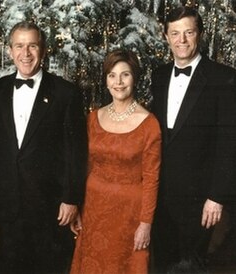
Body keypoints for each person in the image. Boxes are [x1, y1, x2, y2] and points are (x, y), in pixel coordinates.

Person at [0, 21, 88, 273]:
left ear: (43, 51)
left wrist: (71, 198)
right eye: (19, 46)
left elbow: (76, 151)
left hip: (50, 206)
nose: (26, 53)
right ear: (10, 51)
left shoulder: (66, 93)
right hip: (8, 204)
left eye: (32, 45)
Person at [150, 6, 236, 273]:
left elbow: (232, 143)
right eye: (175, 33)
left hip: (200, 199)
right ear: (166, 36)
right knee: (163, 263)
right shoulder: (158, 76)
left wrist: (216, 196)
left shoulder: (224, 78)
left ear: (199, 34)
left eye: (188, 32)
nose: (182, 40)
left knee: (192, 267)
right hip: (162, 196)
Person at [70, 49, 161, 274]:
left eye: (125, 75)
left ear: (135, 78)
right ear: (106, 80)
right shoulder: (92, 118)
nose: (118, 82)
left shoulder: (149, 124)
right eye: (112, 75)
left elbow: (151, 179)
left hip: (129, 216)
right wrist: (78, 208)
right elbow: (85, 167)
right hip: (93, 210)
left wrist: (145, 224)